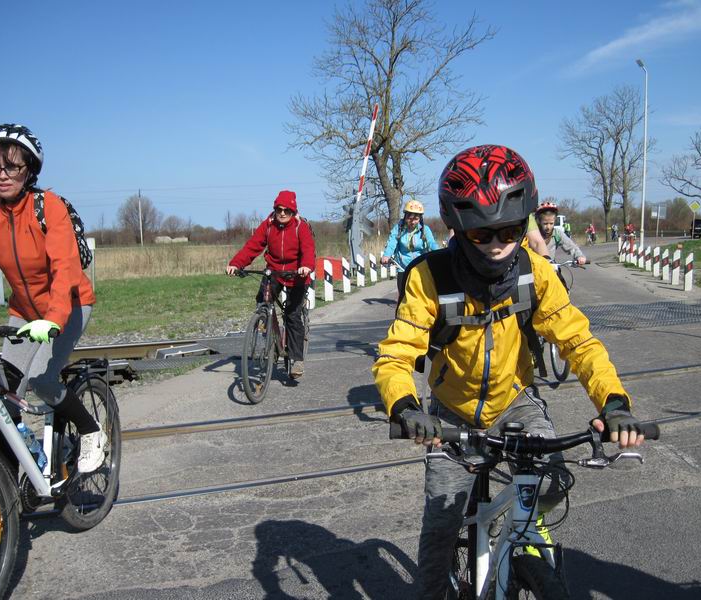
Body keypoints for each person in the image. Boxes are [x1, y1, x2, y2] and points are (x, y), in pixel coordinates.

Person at [372, 144, 644, 599]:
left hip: (516, 400)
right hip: (450, 414)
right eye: (482, 234)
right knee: (441, 525)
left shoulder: (535, 273)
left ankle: (514, 533)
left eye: (511, 229)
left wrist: (613, 403)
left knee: (556, 482)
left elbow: (579, 342)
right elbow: (396, 354)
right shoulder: (429, 278)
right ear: (458, 228)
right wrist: (405, 406)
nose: (498, 244)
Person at [0, 124, 105, 474]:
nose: (2, 176)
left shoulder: (47, 207)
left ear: (29, 170)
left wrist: (53, 319)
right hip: (23, 312)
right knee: (4, 397)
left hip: (70, 305)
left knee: (42, 381)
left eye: (12, 167)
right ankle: (10, 489)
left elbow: (65, 268)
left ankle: (91, 431)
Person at [226, 190, 315, 379]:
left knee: (292, 314)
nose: (282, 213)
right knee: (262, 301)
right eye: (279, 209)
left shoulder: (301, 227)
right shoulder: (268, 225)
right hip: (274, 270)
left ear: (293, 211)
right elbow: (253, 246)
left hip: (297, 273)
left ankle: (296, 359)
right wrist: (236, 263)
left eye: (287, 211)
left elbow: (308, 249)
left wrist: (306, 266)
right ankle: (269, 333)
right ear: (274, 210)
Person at [380, 199, 439, 289]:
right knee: (402, 295)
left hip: (420, 266)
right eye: (410, 218)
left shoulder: (424, 229)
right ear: (405, 217)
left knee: (422, 294)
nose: (413, 222)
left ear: (420, 219)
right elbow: (392, 243)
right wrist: (386, 255)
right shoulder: (398, 229)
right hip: (403, 267)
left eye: (416, 219)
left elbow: (431, 243)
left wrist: (439, 252)